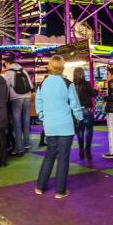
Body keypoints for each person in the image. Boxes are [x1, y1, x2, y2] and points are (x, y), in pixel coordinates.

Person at [35, 56, 82, 198]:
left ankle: (40, 187)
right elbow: (75, 104)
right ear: (62, 67)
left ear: (50, 66)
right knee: (63, 157)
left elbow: (39, 103)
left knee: (49, 155)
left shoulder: (42, 84)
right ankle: (60, 191)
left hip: (50, 125)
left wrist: (43, 116)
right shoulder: (68, 84)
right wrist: (79, 118)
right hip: (65, 125)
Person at [4, 58, 33, 155]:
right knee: (26, 120)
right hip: (27, 97)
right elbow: (31, 86)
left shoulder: (8, 72)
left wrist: (5, 100)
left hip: (16, 98)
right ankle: (27, 143)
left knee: (17, 123)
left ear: (8, 63)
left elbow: (6, 87)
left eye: (5, 64)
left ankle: (19, 148)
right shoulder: (23, 70)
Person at [72, 66, 97, 159]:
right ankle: (88, 150)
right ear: (82, 74)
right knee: (89, 131)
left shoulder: (72, 85)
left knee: (80, 131)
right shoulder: (86, 84)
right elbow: (93, 94)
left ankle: (81, 150)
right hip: (87, 110)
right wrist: (96, 89)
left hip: (77, 111)